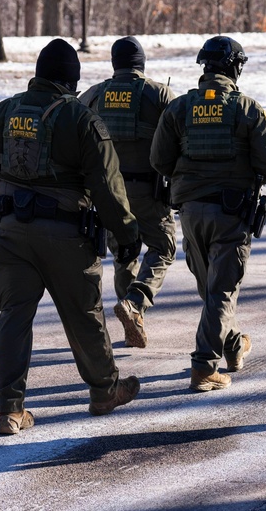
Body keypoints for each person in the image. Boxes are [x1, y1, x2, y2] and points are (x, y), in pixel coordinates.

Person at [0, 38, 143, 436]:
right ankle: (103, 391)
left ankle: (10, 409)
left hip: (10, 233)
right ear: (71, 82)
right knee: (84, 316)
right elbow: (107, 187)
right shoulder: (81, 120)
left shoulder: (3, 113)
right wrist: (127, 233)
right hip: (65, 237)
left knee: (14, 319)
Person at [150, 36, 266, 392]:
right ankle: (204, 366)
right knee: (221, 290)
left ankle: (233, 344)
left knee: (212, 288)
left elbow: (158, 160)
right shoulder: (246, 108)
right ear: (235, 67)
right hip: (231, 212)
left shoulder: (179, 109)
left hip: (191, 213)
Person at [78, 36, 178, 349]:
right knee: (163, 248)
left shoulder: (94, 94)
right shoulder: (159, 93)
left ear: (114, 63)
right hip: (147, 190)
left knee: (125, 250)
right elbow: (179, 138)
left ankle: (131, 316)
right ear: (142, 64)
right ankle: (136, 301)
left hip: (108, 194)